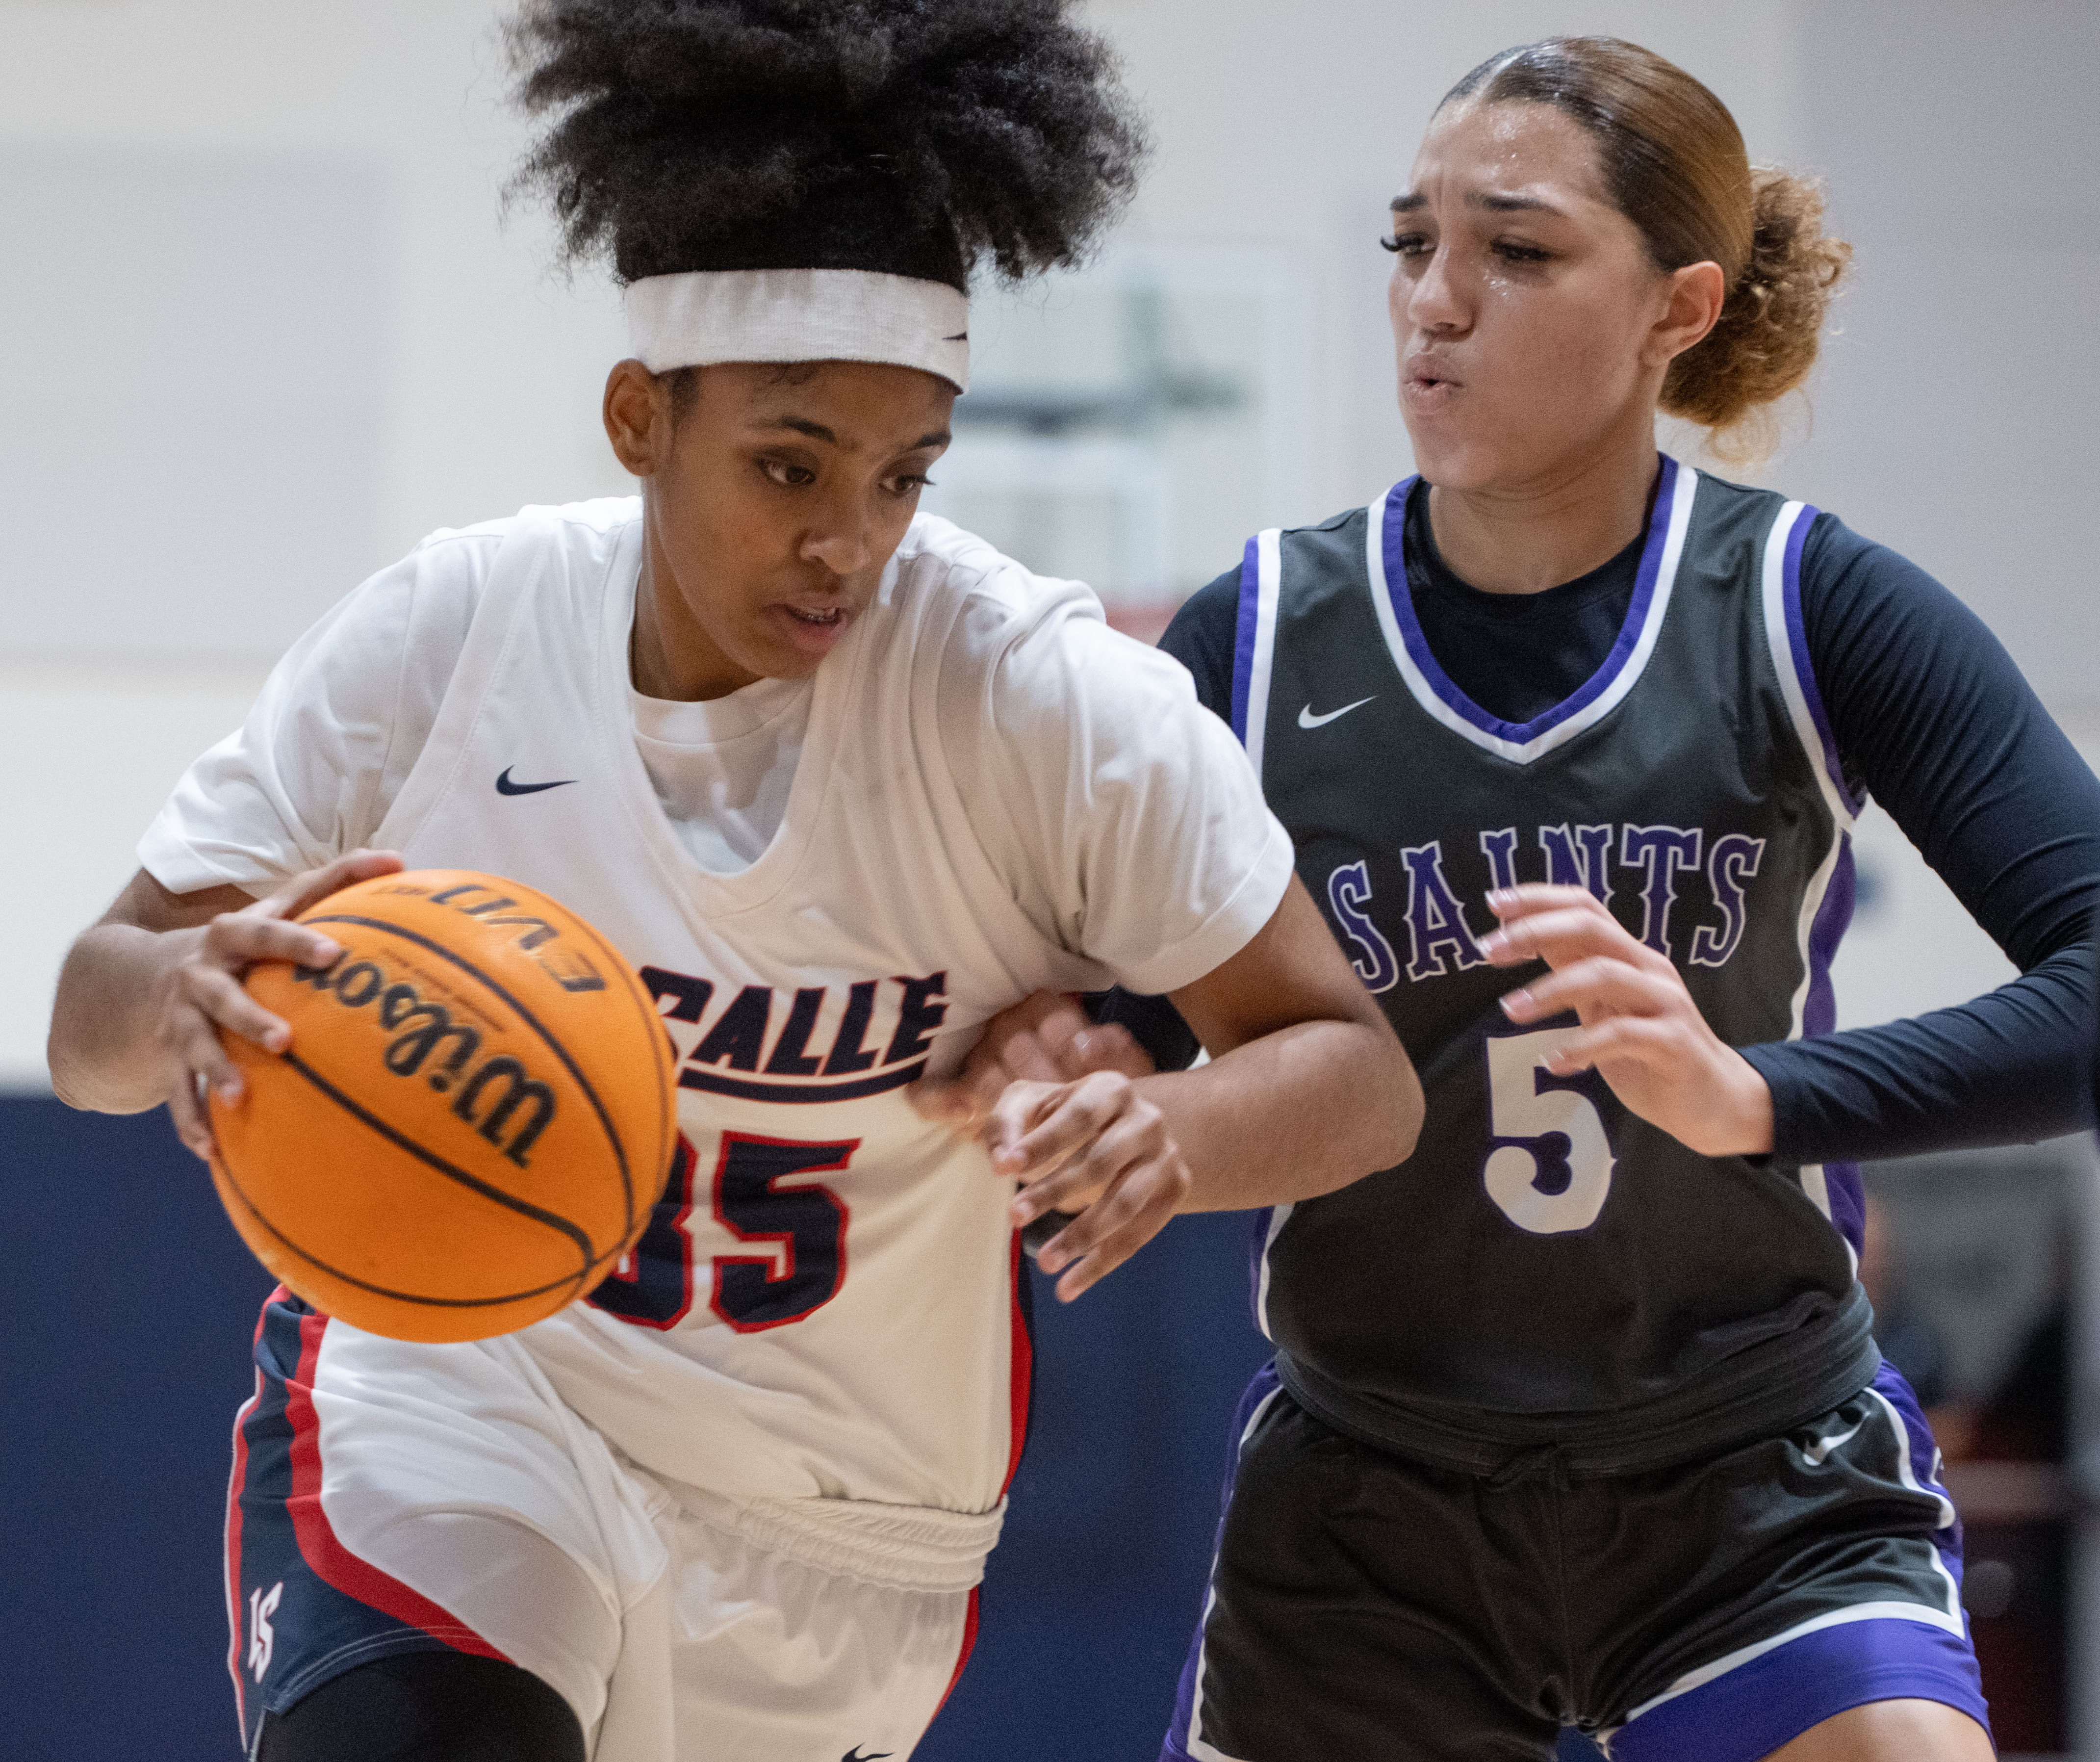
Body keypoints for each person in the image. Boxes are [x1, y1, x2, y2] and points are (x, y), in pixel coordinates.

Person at [41, 4, 1420, 1759]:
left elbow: (1357, 1078)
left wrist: (1173, 1131)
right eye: (788, 463)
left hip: (845, 1520)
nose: (846, 538)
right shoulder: (452, 634)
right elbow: (89, 1023)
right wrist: (173, 999)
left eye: (901, 477)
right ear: (640, 416)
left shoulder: (1047, 706)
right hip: (467, 1406)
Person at [935, 35, 2100, 1762]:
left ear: (1676, 310)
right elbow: (1105, 1021)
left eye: (1518, 250)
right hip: (1372, 1493)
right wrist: (1067, 1063)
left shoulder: (1806, 605)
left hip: (1750, 1469)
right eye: (1412, 243)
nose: (1435, 301)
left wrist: (1752, 1093)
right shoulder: (1252, 641)